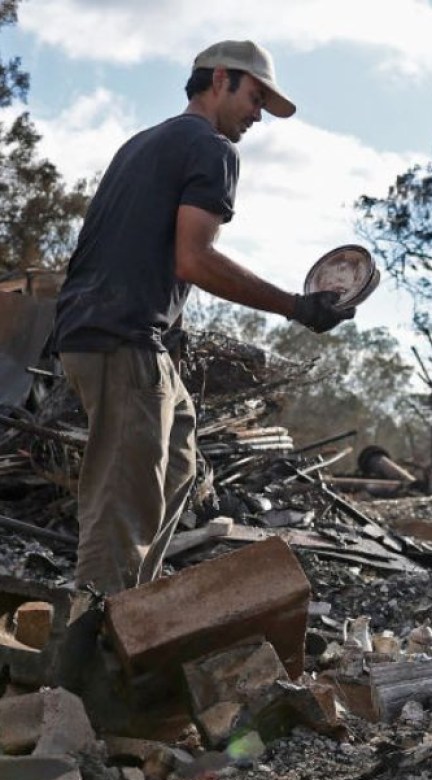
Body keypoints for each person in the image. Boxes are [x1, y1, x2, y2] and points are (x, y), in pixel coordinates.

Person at [53, 39, 354, 595]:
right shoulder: (212, 148)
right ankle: (90, 650)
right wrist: (295, 306)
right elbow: (194, 258)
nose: (258, 115)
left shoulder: (142, 143)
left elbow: (119, 245)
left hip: (109, 333)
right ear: (221, 79)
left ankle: (135, 610)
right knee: (121, 506)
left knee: (178, 460)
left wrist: (168, 333)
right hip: (122, 340)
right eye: (255, 97)